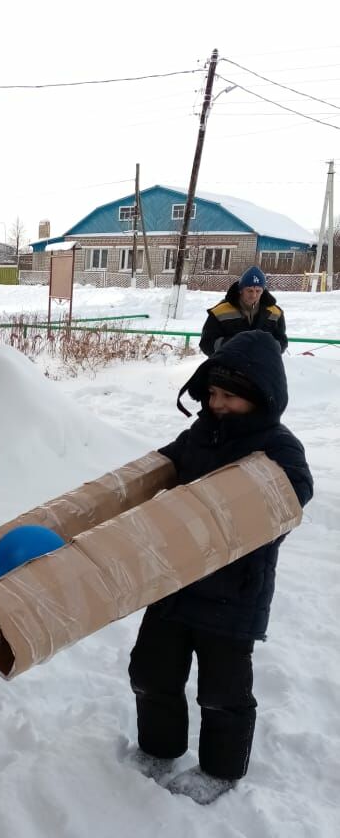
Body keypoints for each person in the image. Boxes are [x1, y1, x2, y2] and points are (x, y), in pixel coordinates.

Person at [127, 329, 313, 804]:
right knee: (152, 673)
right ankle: (158, 749)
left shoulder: (278, 446)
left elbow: (294, 493)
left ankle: (220, 770)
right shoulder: (201, 432)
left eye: (230, 395)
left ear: (260, 396)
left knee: (222, 693)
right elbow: (170, 461)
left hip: (234, 592)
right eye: (212, 393)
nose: (218, 403)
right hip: (175, 583)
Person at [200, 265, 287, 356]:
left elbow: (282, 341)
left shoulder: (276, 313)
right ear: (241, 290)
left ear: (263, 291)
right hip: (228, 365)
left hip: (261, 366)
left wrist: (267, 347)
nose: (254, 295)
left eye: (258, 291)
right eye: (249, 291)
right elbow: (206, 343)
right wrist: (233, 345)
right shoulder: (220, 312)